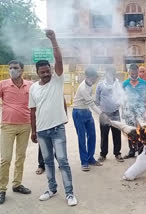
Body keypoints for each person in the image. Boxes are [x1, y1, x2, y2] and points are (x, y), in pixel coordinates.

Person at [29, 29, 77, 206]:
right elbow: (32, 111)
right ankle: (51, 189)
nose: (46, 74)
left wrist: (53, 39)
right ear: (37, 73)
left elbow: (59, 59)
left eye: (47, 71)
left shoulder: (57, 80)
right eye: (42, 72)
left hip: (57, 129)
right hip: (41, 131)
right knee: (48, 162)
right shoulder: (33, 88)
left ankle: (70, 193)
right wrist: (33, 131)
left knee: (63, 161)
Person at [0, 60, 33, 204]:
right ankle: (1, 189)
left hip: (25, 125)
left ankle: (17, 184)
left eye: (15, 68)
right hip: (8, 125)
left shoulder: (30, 85)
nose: (12, 70)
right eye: (10, 68)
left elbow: (35, 105)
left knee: (21, 157)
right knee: (5, 158)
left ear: (22, 70)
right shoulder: (3, 84)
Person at [72, 66, 103, 171]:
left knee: (92, 135)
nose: (94, 80)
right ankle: (84, 162)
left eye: (95, 78)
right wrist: (102, 114)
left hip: (86, 112)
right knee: (82, 138)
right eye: (92, 78)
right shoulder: (83, 88)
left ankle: (91, 159)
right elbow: (91, 104)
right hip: (78, 112)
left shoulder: (90, 85)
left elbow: (91, 101)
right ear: (87, 77)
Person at [122, 64, 146, 159]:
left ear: (138, 72)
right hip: (129, 111)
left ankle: (141, 150)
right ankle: (131, 150)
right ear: (129, 72)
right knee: (130, 131)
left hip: (141, 112)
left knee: (141, 131)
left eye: (135, 73)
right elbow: (122, 98)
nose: (134, 75)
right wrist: (123, 112)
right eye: (132, 73)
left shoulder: (144, 83)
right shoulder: (125, 84)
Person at [96, 66, 123, 162]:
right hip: (104, 114)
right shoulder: (100, 85)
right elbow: (97, 99)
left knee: (117, 134)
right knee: (104, 135)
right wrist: (102, 109)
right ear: (105, 74)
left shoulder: (118, 84)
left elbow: (121, 96)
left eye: (111, 73)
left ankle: (117, 153)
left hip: (115, 113)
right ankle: (103, 154)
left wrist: (119, 103)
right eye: (108, 73)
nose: (109, 75)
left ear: (114, 74)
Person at [36, 98, 68, 175]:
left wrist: (65, 116)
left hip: (56, 120)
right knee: (43, 145)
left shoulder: (56, 87)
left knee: (59, 143)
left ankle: (62, 164)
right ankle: (41, 165)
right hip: (43, 121)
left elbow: (63, 100)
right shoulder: (39, 88)